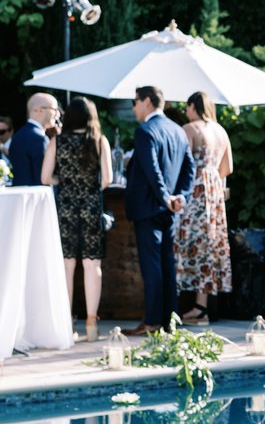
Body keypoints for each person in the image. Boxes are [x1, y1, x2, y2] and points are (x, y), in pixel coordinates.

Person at [41, 96, 113, 342]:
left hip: (66, 207)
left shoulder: (57, 142)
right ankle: (92, 322)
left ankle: (66, 322)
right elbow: (107, 179)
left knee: (66, 265)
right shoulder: (99, 141)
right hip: (91, 206)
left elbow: (44, 177)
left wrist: (63, 181)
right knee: (92, 265)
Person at [124, 86, 195, 336]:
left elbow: (152, 169)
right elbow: (190, 167)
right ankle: (169, 321)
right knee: (167, 264)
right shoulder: (178, 130)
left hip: (149, 207)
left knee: (152, 266)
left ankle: (153, 322)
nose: (133, 107)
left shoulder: (145, 131)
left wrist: (166, 198)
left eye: (135, 101)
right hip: (169, 209)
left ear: (146, 101)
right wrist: (181, 197)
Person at [174, 91, 233, 321]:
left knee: (184, 243)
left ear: (192, 107)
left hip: (194, 189)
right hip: (215, 192)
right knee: (209, 246)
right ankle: (201, 305)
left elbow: (181, 162)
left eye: (186, 108)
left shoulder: (189, 129)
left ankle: (176, 302)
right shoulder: (221, 131)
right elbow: (227, 168)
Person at [9, 93, 61, 185]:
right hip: (36, 196)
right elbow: (42, 177)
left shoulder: (18, 135)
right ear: (39, 110)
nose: (58, 114)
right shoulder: (39, 138)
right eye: (54, 109)